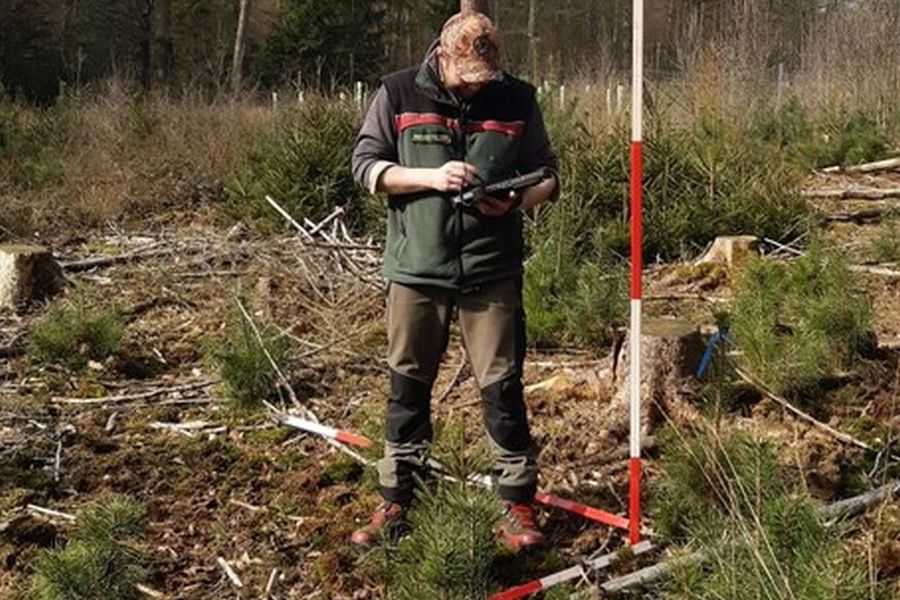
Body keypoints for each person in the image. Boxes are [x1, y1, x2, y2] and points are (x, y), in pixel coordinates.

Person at [349, 10, 559, 551]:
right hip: (416, 270)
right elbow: (367, 168)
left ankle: (517, 503)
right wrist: (430, 177)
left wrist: (515, 199)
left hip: (493, 270)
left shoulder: (516, 97)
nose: (474, 85)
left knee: (503, 388)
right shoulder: (397, 93)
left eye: (482, 77)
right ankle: (397, 498)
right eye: (465, 74)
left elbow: (548, 176)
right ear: (441, 57)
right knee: (407, 386)